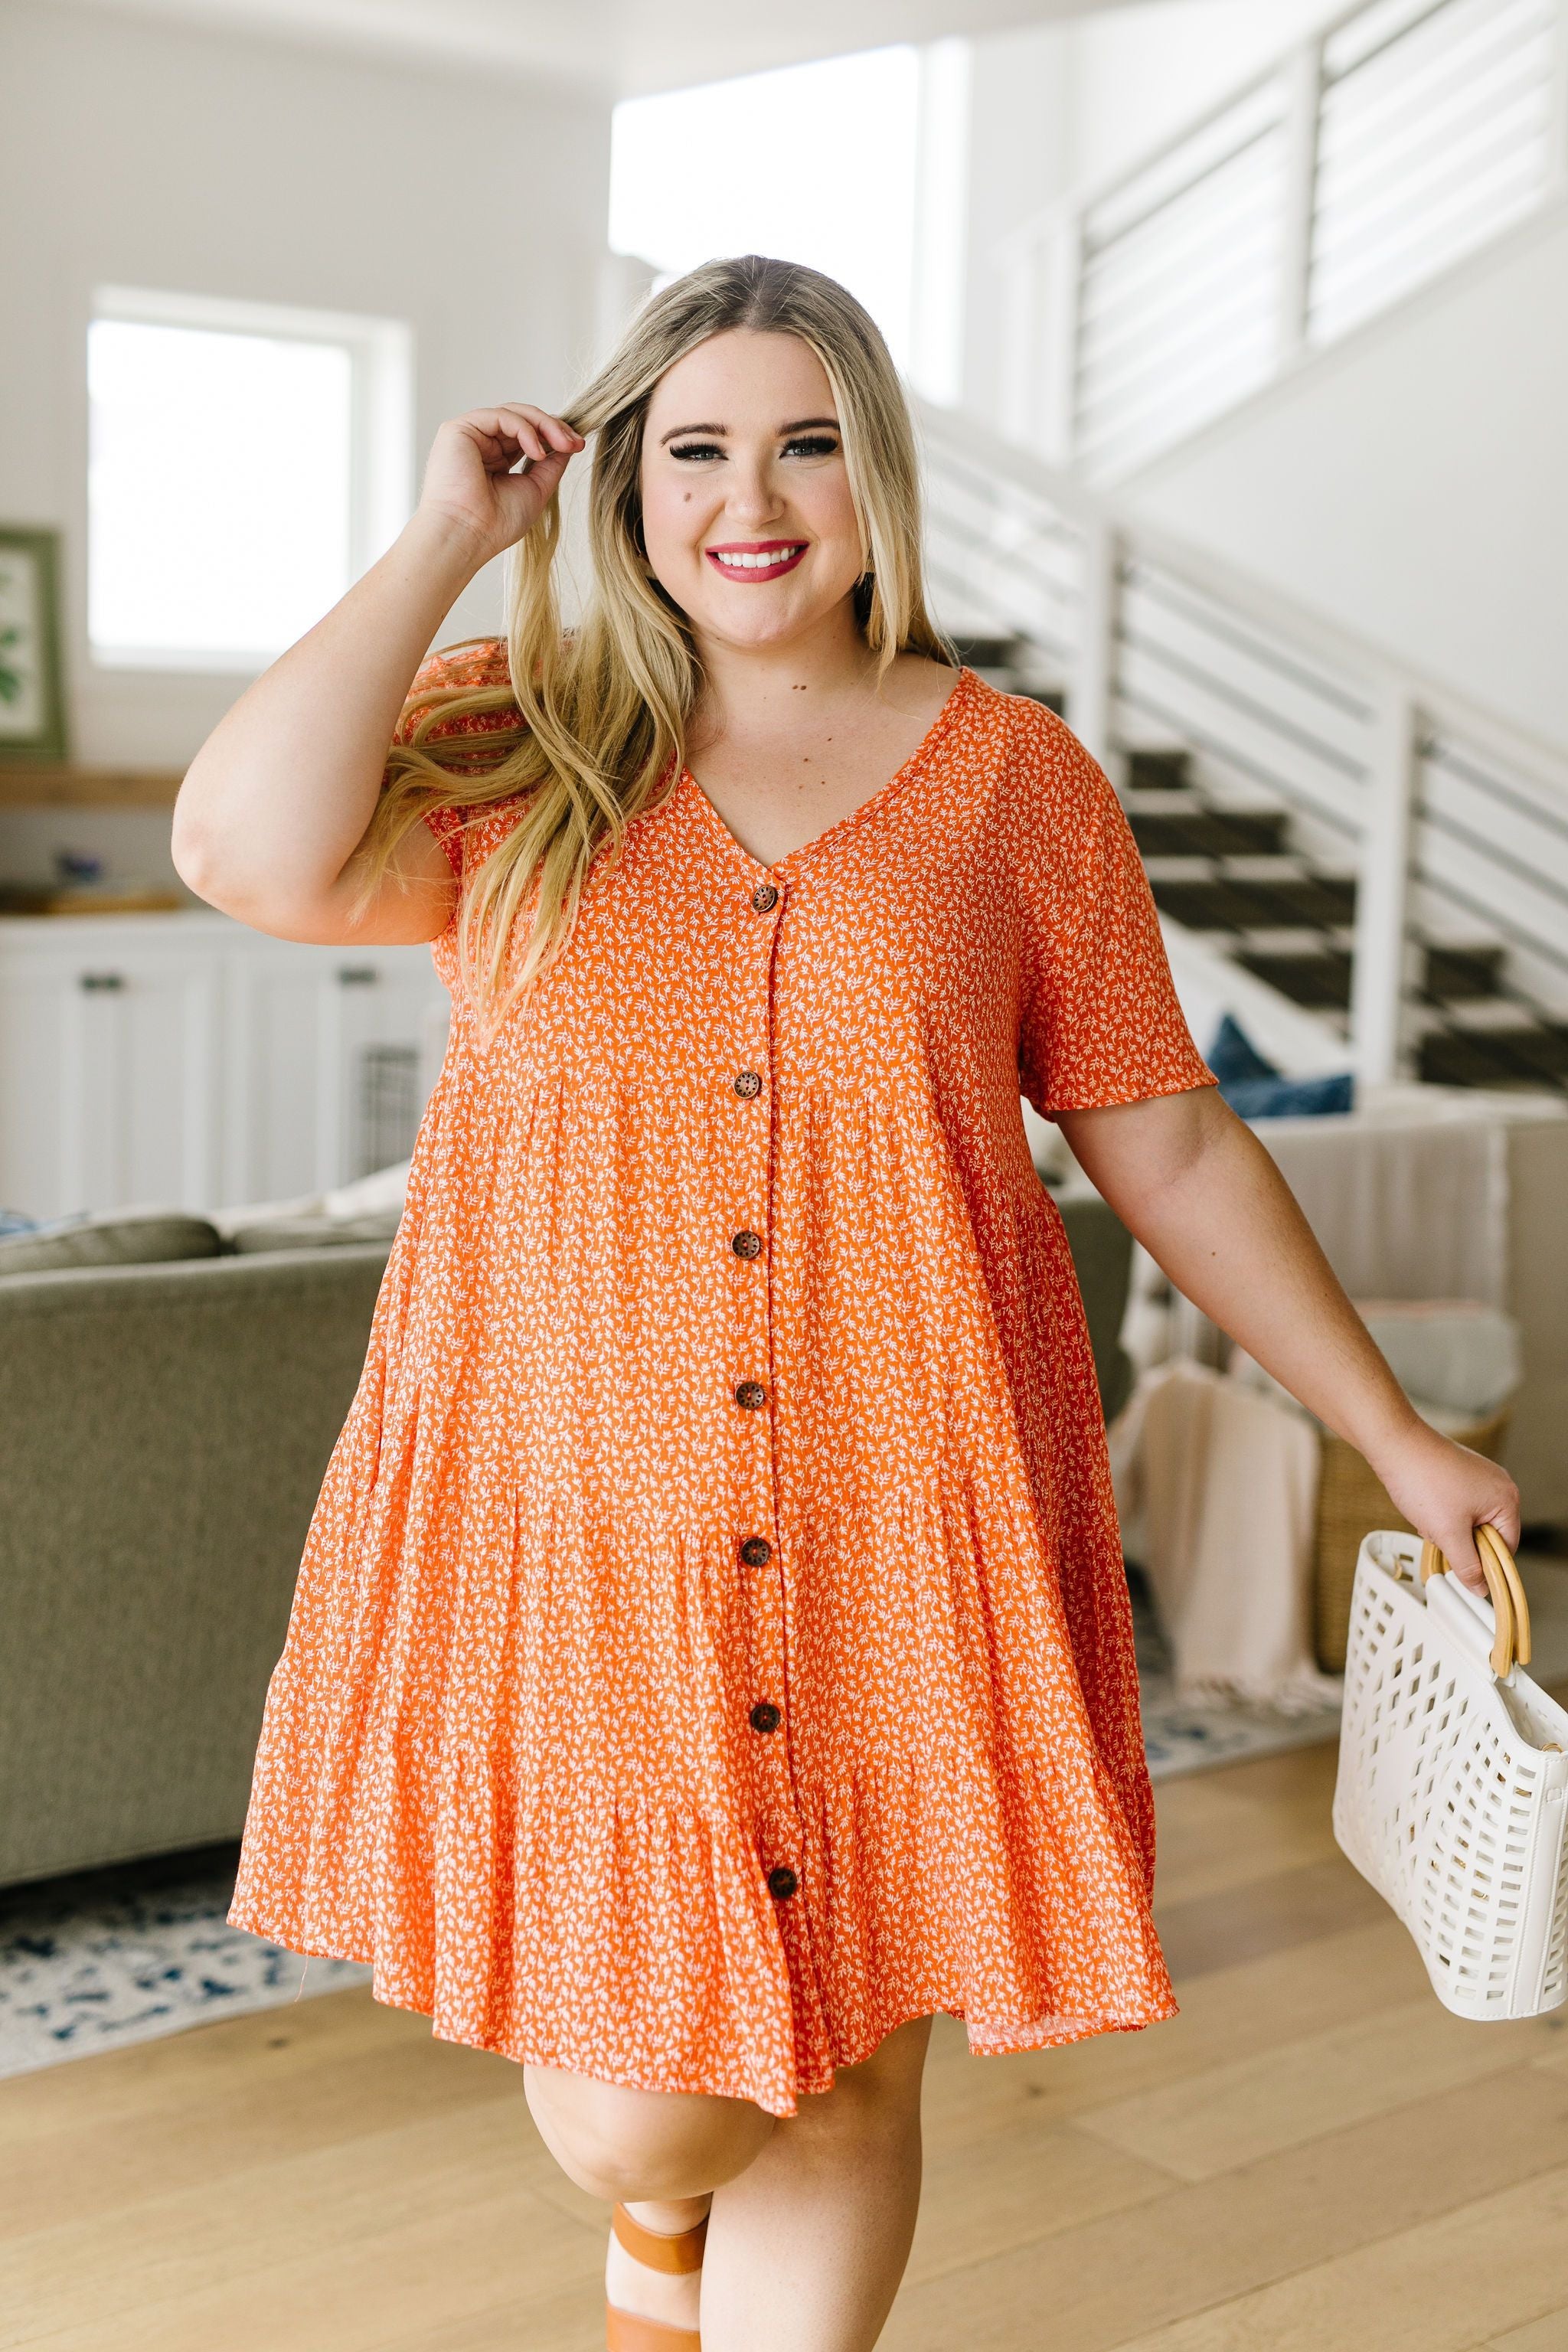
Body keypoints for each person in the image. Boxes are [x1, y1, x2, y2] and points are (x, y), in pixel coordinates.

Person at [173, 255, 1519, 2352]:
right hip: (583, 1514)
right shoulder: (516, 740)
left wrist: (1390, 1430)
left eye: (807, 440)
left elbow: (1166, 1139)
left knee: (853, 2043)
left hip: (914, 1492)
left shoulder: (1017, 784)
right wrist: (450, 534)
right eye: (696, 446)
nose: (754, 496)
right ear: (622, 479)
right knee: (644, 2116)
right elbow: (241, 849)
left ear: (875, 473)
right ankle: (649, 2253)